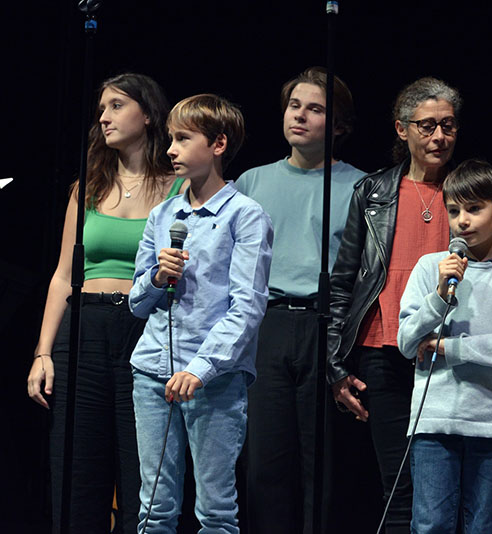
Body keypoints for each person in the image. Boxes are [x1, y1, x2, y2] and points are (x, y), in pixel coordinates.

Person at [25, 73, 182, 534]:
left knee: (143, 473)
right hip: (84, 329)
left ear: (147, 114)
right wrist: (43, 352)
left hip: (145, 327)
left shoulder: (178, 188)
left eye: (116, 106)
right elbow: (63, 275)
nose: (104, 117)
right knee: (77, 470)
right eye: (101, 109)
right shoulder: (88, 187)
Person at [129, 94, 271, 533]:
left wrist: (201, 367)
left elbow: (247, 306)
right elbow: (136, 302)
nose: (171, 149)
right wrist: (158, 277)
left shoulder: (246, 216)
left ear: (218, 144)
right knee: (154, 509)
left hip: (214, 379)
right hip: (152, 371)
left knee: (215, 512)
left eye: (183, 139)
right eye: (170, 139)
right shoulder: (162, 215)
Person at [327, 77, 461, 533]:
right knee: (399, 485)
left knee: (448, 485)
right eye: (427, 126)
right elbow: (345, 280)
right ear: (402, 129)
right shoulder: (374, 192)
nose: (439, 136)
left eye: (448, 125)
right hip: (382, 350)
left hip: (449, 350)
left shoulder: (468, 189)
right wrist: (335, 365)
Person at [235, 66, 364, 534]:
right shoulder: (251, 182)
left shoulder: (362, 187)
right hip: (266, 326)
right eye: (294, 106)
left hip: (327, 326)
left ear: (339, 125)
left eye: (315, 109)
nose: (300, 116)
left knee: (322, 464)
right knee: (265, 462)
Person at [397, 159, 492, 533]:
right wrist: (439, 296)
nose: (462, 221)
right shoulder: (430, 268)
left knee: (485, 526)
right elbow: (407, 341)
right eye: (454, 210)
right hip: (435, 422)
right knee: (430, 525)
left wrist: (450, 348)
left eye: (475, 209)